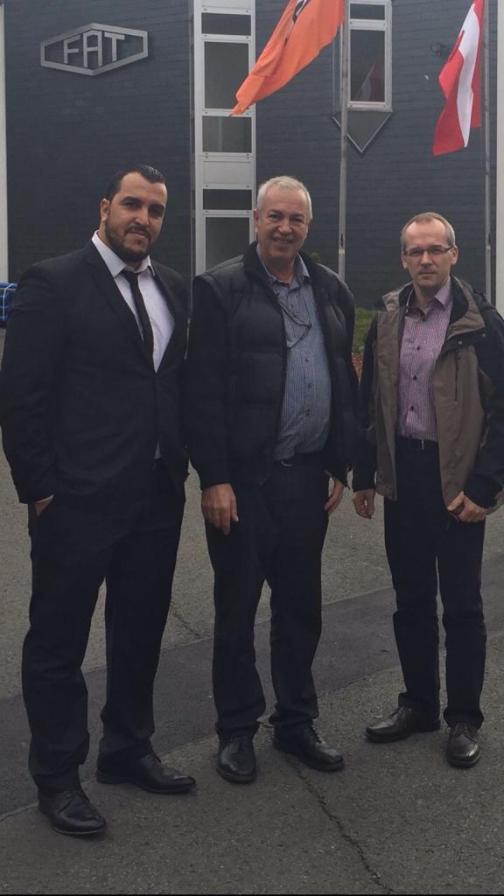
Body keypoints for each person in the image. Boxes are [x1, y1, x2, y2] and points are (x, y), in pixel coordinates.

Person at [0, 165, 195, 836]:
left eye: (156, 210)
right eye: (133, 204)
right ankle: (58, 777)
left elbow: (170, 384)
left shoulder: (172, 288)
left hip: (155, 496)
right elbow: (20, 396)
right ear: (105, 206)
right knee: (59, 642)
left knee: (139, 631)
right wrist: (41, 490)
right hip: (76, 500)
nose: (144, 218)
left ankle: (127, 748)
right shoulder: (53, 283)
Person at [185, 176, 358, 783]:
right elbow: (200, 393)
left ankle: (296, 721)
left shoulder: (331, 289)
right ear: (256, 219)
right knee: (236, 609)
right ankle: (236, 729)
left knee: (300, 608)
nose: (286, 228)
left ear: (308, 226)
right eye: (275, 216)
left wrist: (338, 463)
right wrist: (214, 478)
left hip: (305, 479)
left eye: (296, 219)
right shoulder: (220, 289)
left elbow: (343, 381)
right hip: (244, 484)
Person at [353, 211, 504, 768]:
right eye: (415, 251)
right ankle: (418, 703)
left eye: (435, 249)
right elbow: (371, 399)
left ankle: (463, 717)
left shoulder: (481, 323)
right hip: (404, 479)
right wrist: (365, 474)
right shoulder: (388, 318)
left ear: (453, 255)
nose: (425, 259)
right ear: (403, 259)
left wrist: (485, 485)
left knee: (461, 606)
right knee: (411, 599)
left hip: (458, 482)